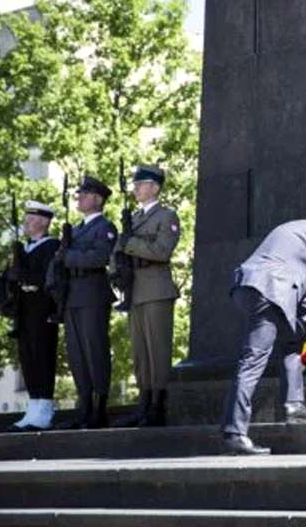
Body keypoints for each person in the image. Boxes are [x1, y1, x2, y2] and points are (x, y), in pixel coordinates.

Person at [221, 215, 306, 455]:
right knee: (253, 361)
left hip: (251, 287)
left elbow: (288, 276)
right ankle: (234, 433)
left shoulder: (296, 230)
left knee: (293, 338)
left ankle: (294, 405)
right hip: (269, 291)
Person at [111, 165, 180, 428]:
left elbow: (162, 251)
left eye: (140, 184)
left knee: (157, 350)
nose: (136, 188)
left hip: (156, 289)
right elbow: (117, 250)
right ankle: (143, 403)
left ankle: (158, 406)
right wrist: (116, 270)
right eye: (136, 184)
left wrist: (129, 243)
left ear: (155, 187)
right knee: (140, 353)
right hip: (134, 290)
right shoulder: (133, 218)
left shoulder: (167, 216)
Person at [51, 176, 118, 430]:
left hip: (92, 293)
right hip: (72, 295)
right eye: (78, 193)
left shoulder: (105, 227)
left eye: (84, 193)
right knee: (77, 354)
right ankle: (85, 408)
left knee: (95, 350)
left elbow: (100, 257)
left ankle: (99, 409)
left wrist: (68, 256)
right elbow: (59, 260)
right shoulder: (75, 230)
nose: (78, 197)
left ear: (98, 199)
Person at [0, 201, 60, 431]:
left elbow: (49, 277)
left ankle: (44, 409)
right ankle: (33, 407)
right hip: (24, 311)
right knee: (28, 359)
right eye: (26, 219)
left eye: (31, 219)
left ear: (44, 221)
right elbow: (7, 278)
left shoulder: (52, 246)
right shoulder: (24, 248)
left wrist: (24, 275)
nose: (26, 223)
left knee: (42, 357)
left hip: (43, 309)